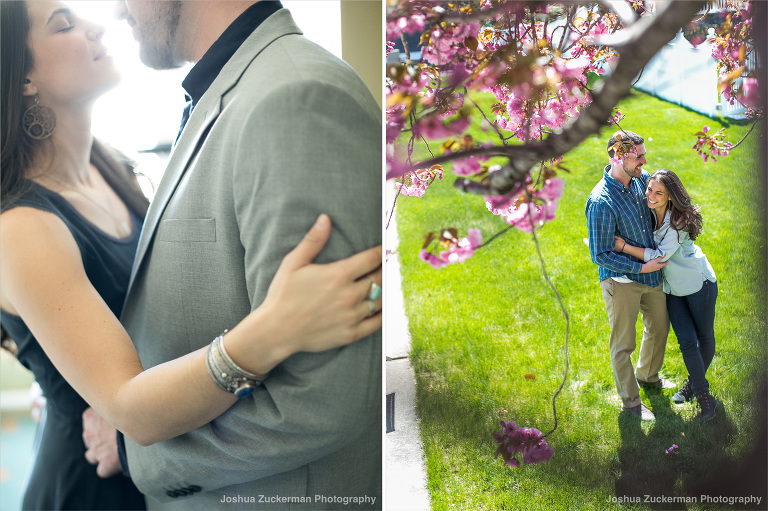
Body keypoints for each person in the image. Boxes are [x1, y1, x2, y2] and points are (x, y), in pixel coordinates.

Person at [0, 2, 382, 510]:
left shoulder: (116, 171)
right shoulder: (21, 228)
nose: (102, 19)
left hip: (166, 469)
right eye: (65, 24)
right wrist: (270, 331)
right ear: (22, 76)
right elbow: (127, 403)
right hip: (93, 481)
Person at [613, 169, 719, 421]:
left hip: (698, 284)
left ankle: (700, 395)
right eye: (649, 189)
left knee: (703, 337)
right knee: (686, 342)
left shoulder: (678, 223)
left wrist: (624, 247)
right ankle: (701, 392)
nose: (650, 195)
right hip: (672, 289)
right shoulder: (649, 214)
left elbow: (659, 257)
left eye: (659, 193)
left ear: (670, 197)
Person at [585, 130, 671, 421]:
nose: (644, 161)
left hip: (651, 275)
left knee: (659, 327)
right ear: (618, 156)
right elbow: (600, 254)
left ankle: (648, 375)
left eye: (643, 154)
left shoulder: (639, 182)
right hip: (621, 281)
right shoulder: (600, 200)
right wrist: (641, 266)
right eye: (639, 156)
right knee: (623, 344)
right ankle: (631, 402)